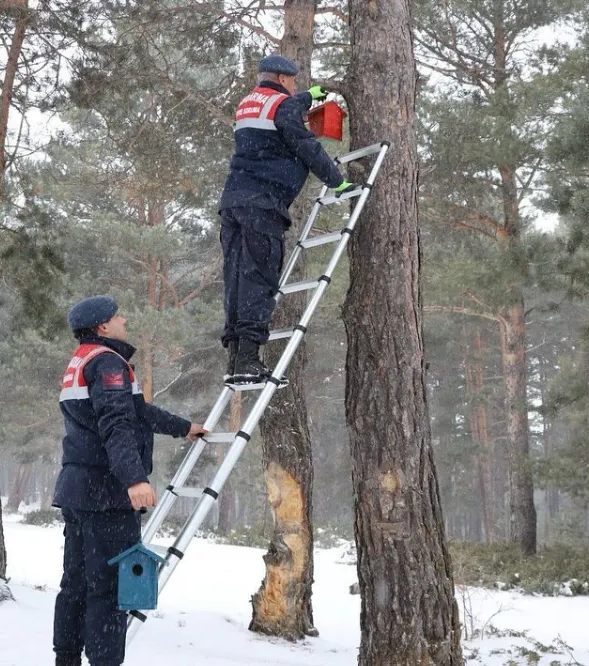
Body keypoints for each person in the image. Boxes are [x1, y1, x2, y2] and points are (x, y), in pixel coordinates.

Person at [52, 295, 206, 666]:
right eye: (119, 316)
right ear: (103, 326)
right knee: (108, 589)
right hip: (105, 492)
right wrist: (134, 479)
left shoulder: (84, 359)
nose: (126, 320)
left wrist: (183, 427)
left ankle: (67, 660)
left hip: (78, 489)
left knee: (75, 585)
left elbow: (135, 410)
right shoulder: (109, 363)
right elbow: (116, 423)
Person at [219, 53, 359, 383]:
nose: (295, 86)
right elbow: (304, 144)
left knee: (236, 281)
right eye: (293, 82)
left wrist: (304, 99)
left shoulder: (247, 104)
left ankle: (237, 359)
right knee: (259, 278)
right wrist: (336, 180)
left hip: (233, 203)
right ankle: (250, 359)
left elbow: (276, 125)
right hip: (262, 205)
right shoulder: (281, 105)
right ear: (283, 79)